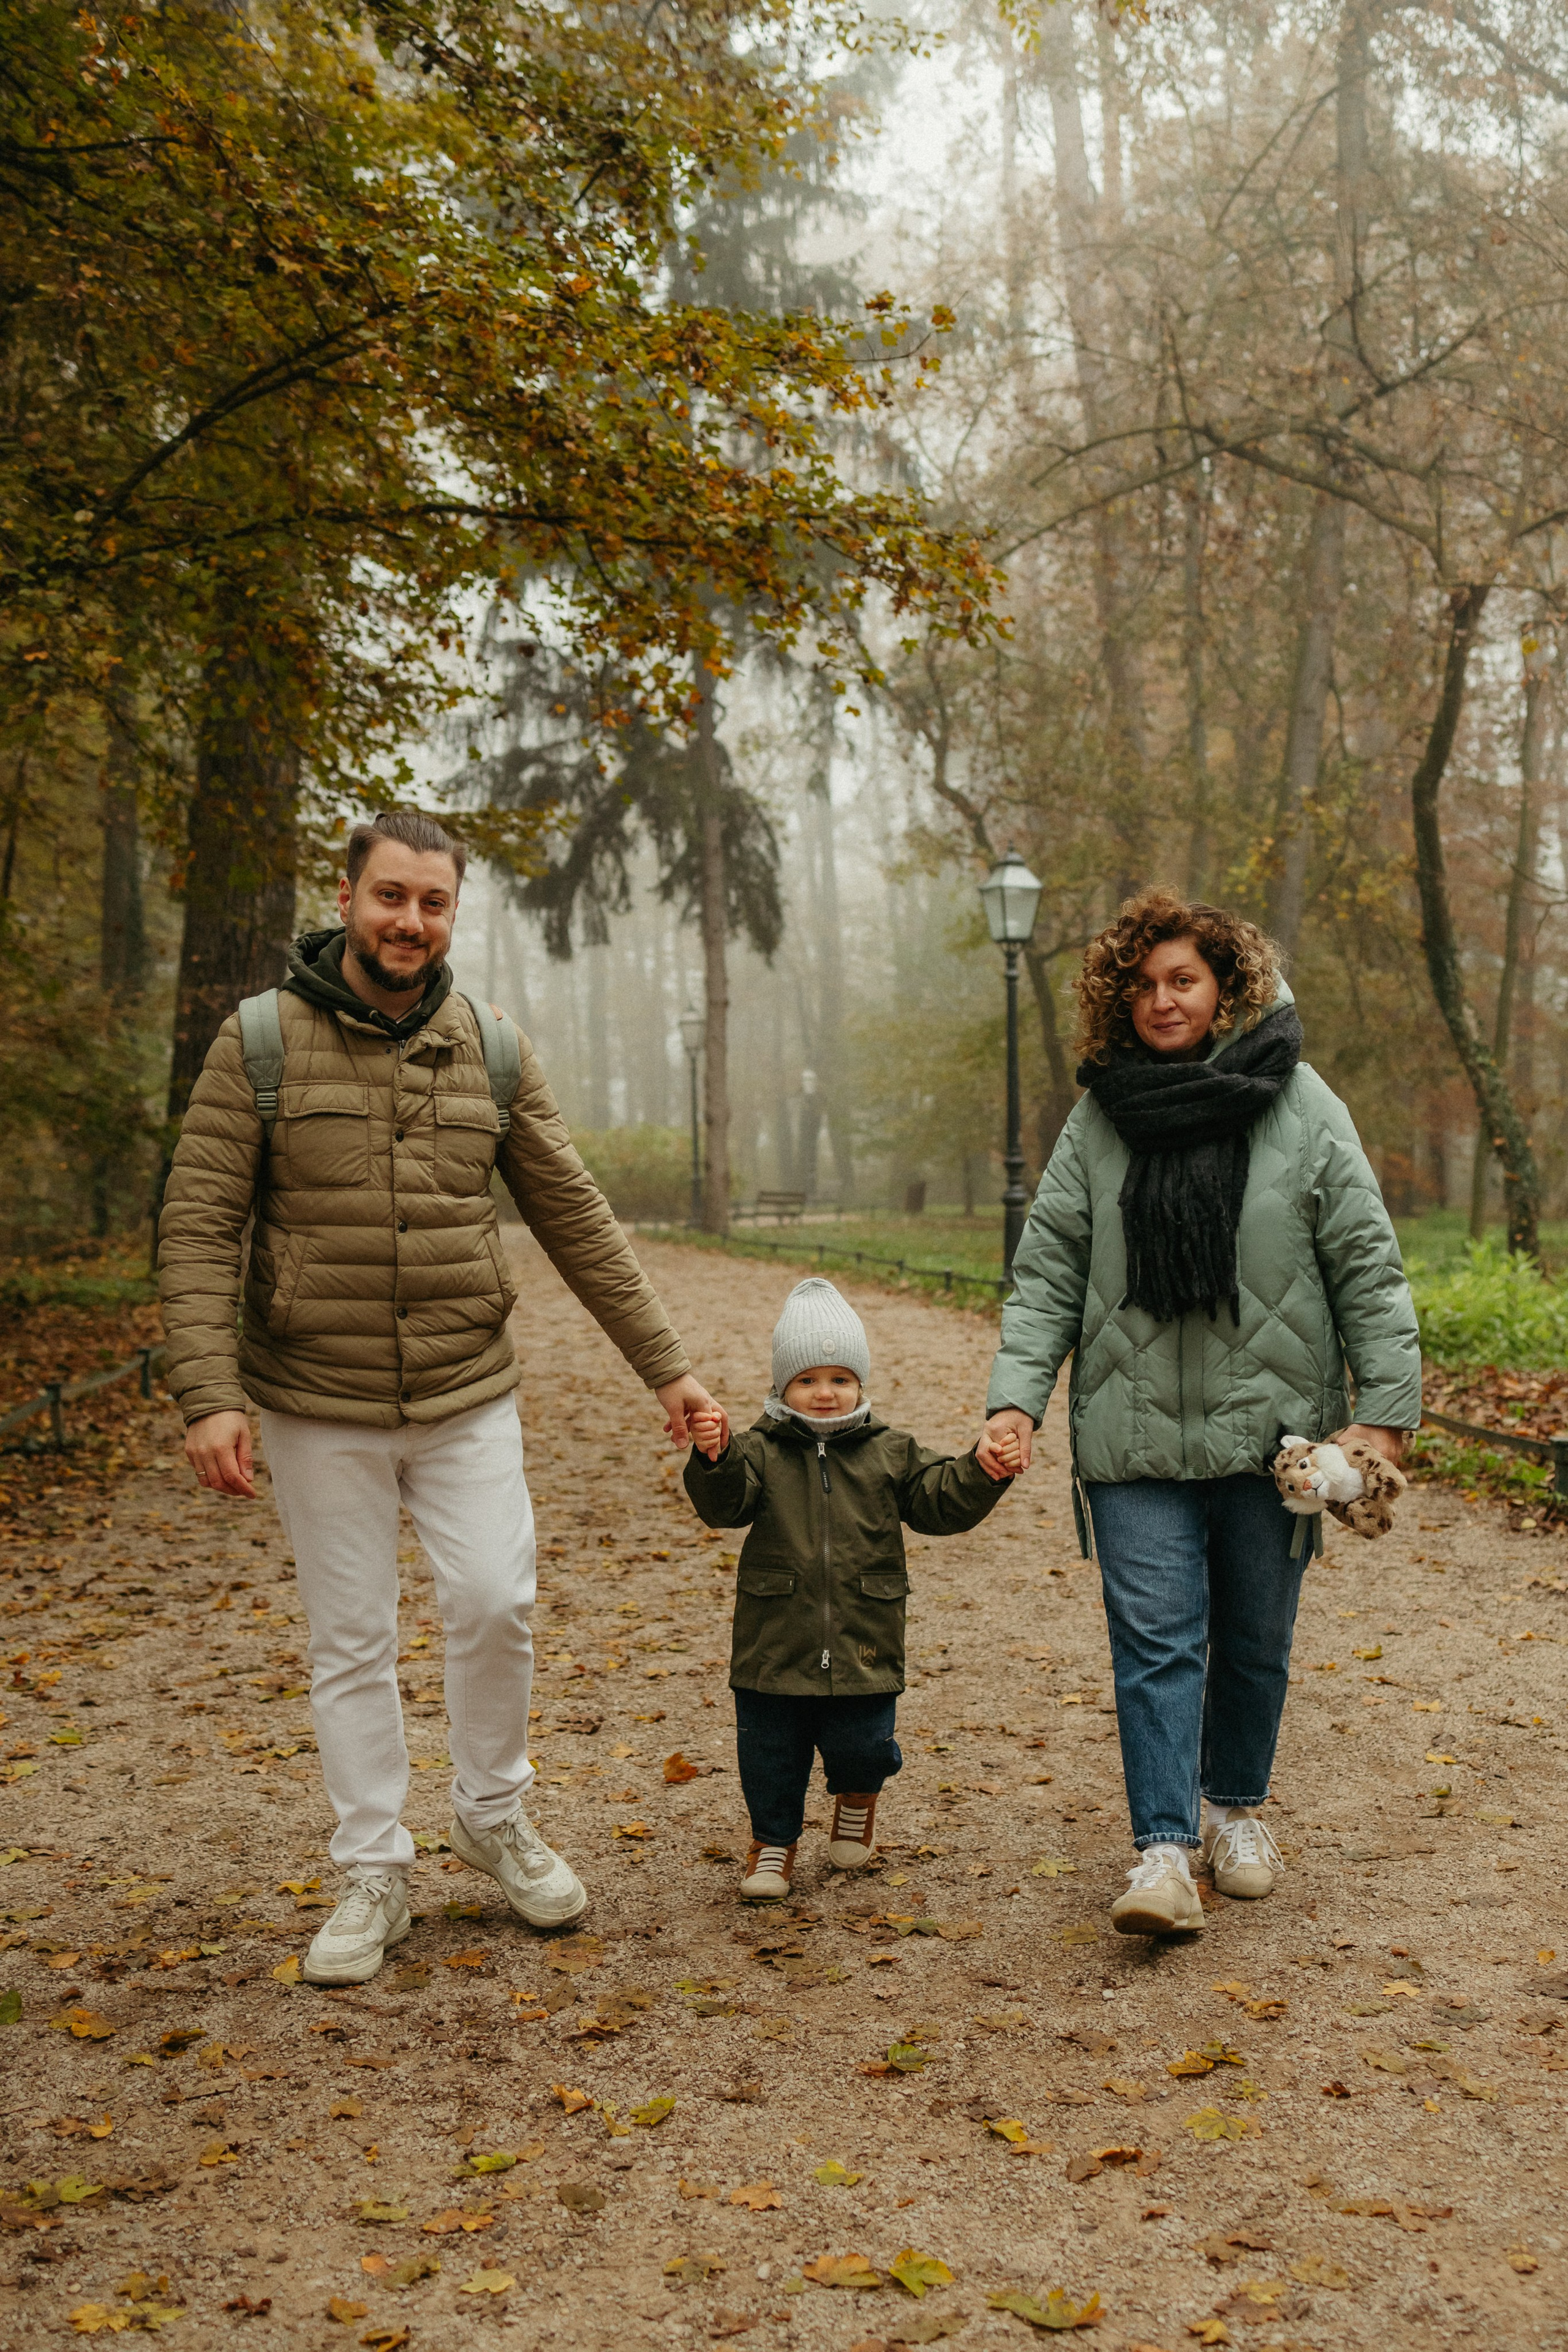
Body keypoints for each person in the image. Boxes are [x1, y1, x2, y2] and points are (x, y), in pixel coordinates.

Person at [158, 808, 724, 1984]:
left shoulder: (492, 1050)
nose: (409, 921)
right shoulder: (257, 1043)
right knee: (351, 1640)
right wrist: (208, 1392)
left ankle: (492, 1812)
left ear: (452, 914)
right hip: (318, 1396)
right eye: (391, 896)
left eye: (433, 903)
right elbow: (202, 1222)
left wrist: (666, 1366)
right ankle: (374, 1864)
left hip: (468, 1390)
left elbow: (575, 1214)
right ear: (350, 896)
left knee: (494, 1599)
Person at [978, 889, 1420, 1937]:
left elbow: (1366, 1259)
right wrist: (1016, 1399)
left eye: (1184, 980)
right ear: (1115, 1001)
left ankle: (1237, 1811)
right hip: (1131, 1433)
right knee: (1158, 1643)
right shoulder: (1099, 1119)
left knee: (1256, 1638)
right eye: (1143, 985)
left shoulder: (1301, 1102)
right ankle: (1165, 1850)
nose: (1163, 1001)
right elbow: (1045, 1274)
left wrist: (1386, 1414)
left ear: (1226, 988)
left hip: (1276, 1437)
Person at [685, 1277, 1016, 1901]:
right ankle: (773, 1841)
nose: (825, 1393)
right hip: (773, 1641)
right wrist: (715, 1458)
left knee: (863, 1744)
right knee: (770, 1755)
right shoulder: (756, 1450)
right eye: (807, 1380)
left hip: (865, 1637)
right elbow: (725, 1508)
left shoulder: (890, 1451)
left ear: (861, 1384)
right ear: (782, 1387)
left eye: (840, 1378)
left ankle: (858, 1797)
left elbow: (938, 1504)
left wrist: (980, 1470)